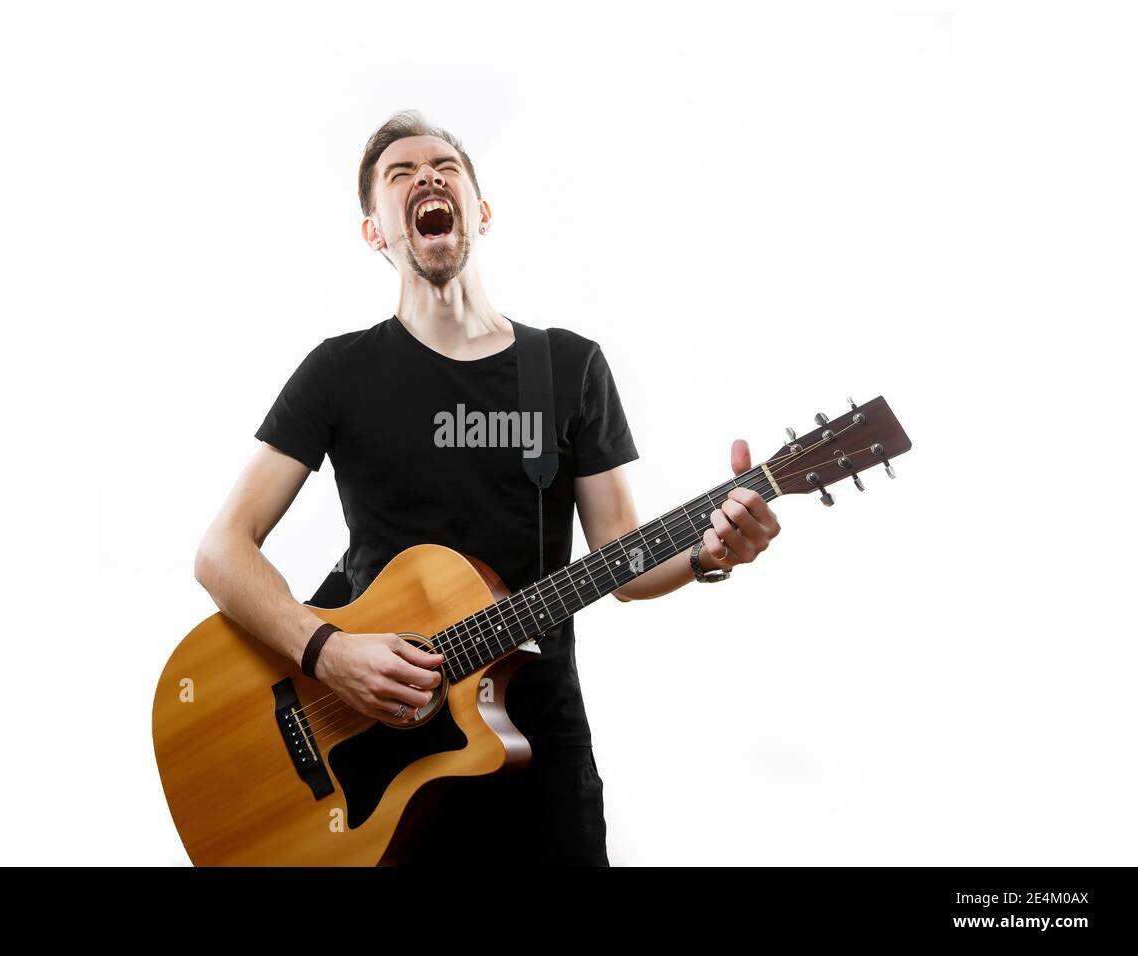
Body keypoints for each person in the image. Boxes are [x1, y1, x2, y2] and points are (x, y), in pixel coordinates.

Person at [192, 110, 782, 866]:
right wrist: (328, 653)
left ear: (481, 211)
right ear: (375, 232)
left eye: (445, 168)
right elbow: (220, 551)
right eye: (399, 175)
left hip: (535, 737)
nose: (425, 178)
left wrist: (711, 551)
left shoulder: (568, 368)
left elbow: (621, 558)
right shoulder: (337, 373)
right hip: (375, 747)